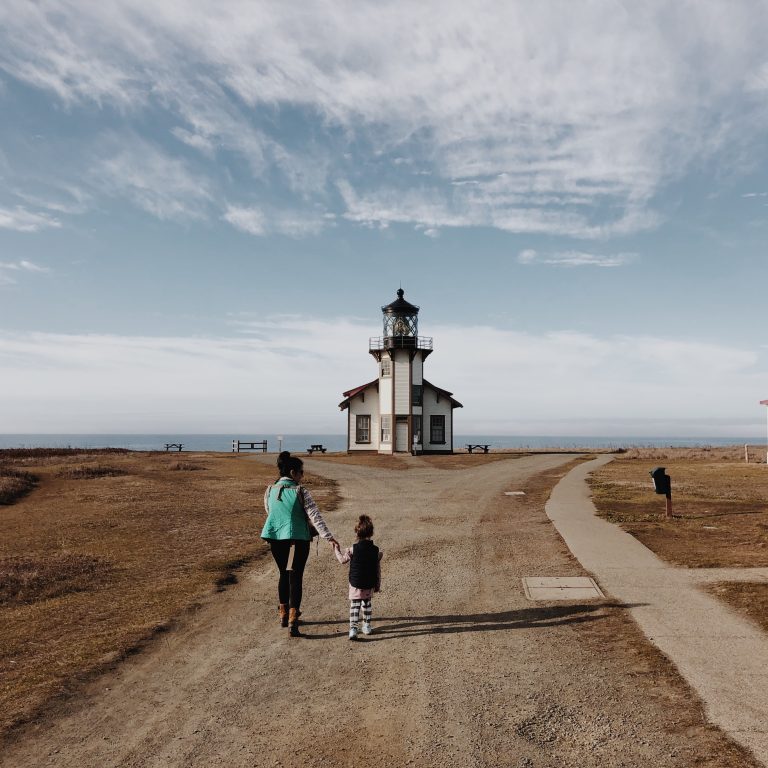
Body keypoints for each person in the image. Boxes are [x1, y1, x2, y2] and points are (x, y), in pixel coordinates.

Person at [261, 451, 339, 637]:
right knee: (295, 577)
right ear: (293, 472)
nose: (303, 476)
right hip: (296, 540)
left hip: (275, 538)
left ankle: (283, 613)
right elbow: (315, 517)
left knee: (283, 574)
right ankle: (293, 622)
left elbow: (269, 511)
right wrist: (329, 537)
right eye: (301, 472)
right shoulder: (300, 491)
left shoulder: (269, 490)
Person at [335, 514, 382, 640]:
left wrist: (337, 549)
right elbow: (377, 569)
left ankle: (353, 629)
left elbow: (342, 560)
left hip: (355, 583)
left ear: (357, 533)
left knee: (354, 605)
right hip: (369, 583)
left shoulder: (352, 549)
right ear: (371, 533)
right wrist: (377, 585)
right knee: (367, 605)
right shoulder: (376, 551)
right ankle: (366, 626)